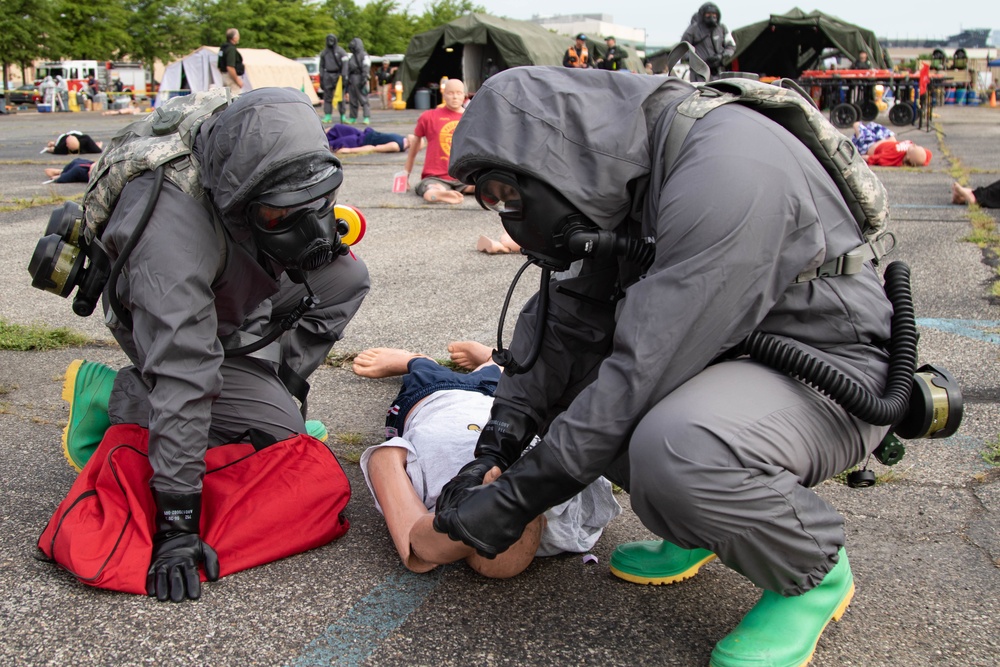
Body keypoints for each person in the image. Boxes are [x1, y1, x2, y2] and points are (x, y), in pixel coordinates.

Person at [434, 67, 896, 666]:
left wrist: (518, 498)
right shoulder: (623, 172)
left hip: (827, 373)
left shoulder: (730, 168)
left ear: (551, 155)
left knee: (677, 447)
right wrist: (495, 449)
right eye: (490, 198)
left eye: (507, 192)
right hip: (720, 361)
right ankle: (703, 526)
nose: (506, 216)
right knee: (584, 395)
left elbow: (642, 371)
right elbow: (562, 329)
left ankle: (812, 569)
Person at [60, 87, 370, 602]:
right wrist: (177, 526)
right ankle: (121, 395)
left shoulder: (259, 151)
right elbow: (186, 372)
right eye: (281, 215)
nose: (312, 225)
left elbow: (302, 237)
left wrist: (294, 220)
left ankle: (258, 392)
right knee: (277, 436)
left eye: (319, 201)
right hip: (164, 309)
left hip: (232, 266)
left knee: (344, 279)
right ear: (242, 198)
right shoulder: (170, 242)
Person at [353, 343, 620, 577]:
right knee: (506, 374)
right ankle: (493, 357)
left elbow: (385, 459)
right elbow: (588, 457)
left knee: (424, 371)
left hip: (435, 398)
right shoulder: (565, 519)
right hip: (508, 403)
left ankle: (414, 359)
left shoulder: (435, 511)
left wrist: (423, 547)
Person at [403, 78, 474, 204]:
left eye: (458, 93)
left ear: (464, 95)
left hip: (463, 178)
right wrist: (405, 175)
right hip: (436, 178)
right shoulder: (429, 117)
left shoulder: (471, 118)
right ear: (444, 94)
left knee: (485, 187)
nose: (455, 97)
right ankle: (439, 195)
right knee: (431, 189)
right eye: (450, 93)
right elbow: (414, 148)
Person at [681, 2, 736, 81]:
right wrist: (696, 61)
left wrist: (721, 56)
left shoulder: (722, 28)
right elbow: (682, 49)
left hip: (718, 71)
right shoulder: (693, 30)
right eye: (708, 13)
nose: (711, 16)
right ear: (702, 15)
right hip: (699, 73)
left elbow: (731, 46)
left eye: (714, 14)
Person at [325, 123, 413, 154]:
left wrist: (350, 150)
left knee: (337, 143)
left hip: (362, 142)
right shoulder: (403, 138)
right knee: (338, 128)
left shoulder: (396, 146)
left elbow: (374, 148)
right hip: (365, 133)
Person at [320, 34, 349, 123]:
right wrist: (322, 77)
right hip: (327, 75)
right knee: (327, 97)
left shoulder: (341, 52)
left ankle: (343, 115)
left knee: (340, 96)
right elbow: (321, 66)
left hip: (338, 76)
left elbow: (345, 65)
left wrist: (344, 76)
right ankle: (328, 115)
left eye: (332, 39)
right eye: (329, 39)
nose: (330, 41)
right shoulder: (324, 52)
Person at [345, 37, 372, 125]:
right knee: (352, 100)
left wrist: (364, 78)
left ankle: (366, 117)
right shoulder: (352, 56)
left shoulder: (364, 55)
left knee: (363, 99)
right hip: (352, 79)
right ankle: (353, 117)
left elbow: (366, 66)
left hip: (360, 78)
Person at [219, 28, 245, 95]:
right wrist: (237, 80)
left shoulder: (223, 48)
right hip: (231, 78)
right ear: (234, 37)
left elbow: (219, 65)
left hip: (224, 76)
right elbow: (230, 67)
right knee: (235, 97)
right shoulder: (231, 49)